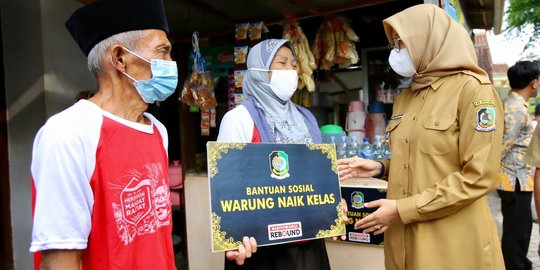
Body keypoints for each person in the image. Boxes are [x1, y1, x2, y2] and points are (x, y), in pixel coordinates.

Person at [29, 0, 255, 268]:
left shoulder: (157, 131)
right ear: (120, 58)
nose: (171, 64)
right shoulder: (68, 134)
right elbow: (61, 261)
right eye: (163, 52)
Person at [337, 4, 505, 269]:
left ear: (429, 40)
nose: (396, 52)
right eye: (393, 44)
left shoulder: (473, 91)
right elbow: (422, 160)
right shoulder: (407, 97)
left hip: (452, 239)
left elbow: (478, 176)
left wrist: (403, 209)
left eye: (401, 43)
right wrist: (380, 167)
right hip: (403, 238)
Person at [218, 39, 344, 270]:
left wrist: (333, 205)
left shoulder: (306, 118)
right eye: (281, 63)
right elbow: (227, 186)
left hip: (308, 242)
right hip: (261, 247)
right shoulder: (239, 119)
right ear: (259, 71)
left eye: (294, 65)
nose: (290, 71)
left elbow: (318, 174)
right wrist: (231, 238)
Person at [497, 60, 539, 270]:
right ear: (533, 83)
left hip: (518, 180)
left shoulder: (514, 105)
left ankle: (521, 262)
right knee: (517, 232)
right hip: (514, 181)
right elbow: (502, 146)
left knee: (519, 230)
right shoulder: (515, 109)